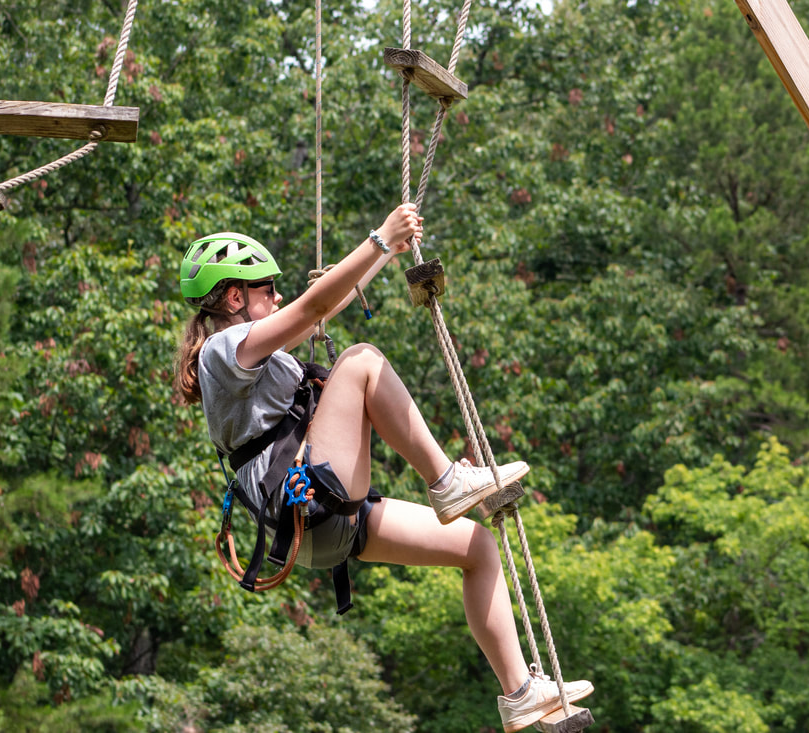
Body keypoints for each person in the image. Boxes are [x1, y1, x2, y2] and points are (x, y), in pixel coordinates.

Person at [173, 202, 593, 732]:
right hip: (309, 506)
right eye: (267, 289)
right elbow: (310, 308)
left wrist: (388, 251)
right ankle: (446, 482)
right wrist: (378, 238)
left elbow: (323, 306)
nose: (277, 297)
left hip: (323, 521)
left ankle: (520, 694)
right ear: (235, 297)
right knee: (362, 360)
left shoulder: (258, 352)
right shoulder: (222, 350)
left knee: (477, 547)